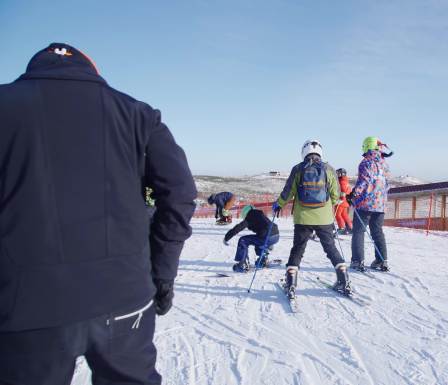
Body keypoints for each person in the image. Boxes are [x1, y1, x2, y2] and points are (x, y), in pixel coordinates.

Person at [0, 43, 197, 384]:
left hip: (27, 306)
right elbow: (179, 193)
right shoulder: (137, 113)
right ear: (92, 71)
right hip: (125, 296)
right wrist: (162, 273)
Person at [273, 139, 351, 298]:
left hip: (303, 218)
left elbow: (289, 192)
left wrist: (279, 204)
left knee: (298, 249)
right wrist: (331, 204)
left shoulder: (298, 169)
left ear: (304, 152)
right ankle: (343, 279)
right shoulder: (329, 169)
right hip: (324, 218)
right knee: (330, 248)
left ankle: (291, 283)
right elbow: (336, 195)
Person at [348, 136, 391, 272]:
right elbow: (387, 184)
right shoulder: (385, 164)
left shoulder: (366, 162)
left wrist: (353, 194)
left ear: (367, 146)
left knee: (359, 232)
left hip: (365, 203)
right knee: (377, 232)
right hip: (380, 204)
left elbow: (364, 182)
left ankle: (357, 261)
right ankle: (381, 260)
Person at [223, 205, 279, 272]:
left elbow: (238, 228)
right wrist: (269, 243)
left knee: (243, 240)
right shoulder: (260, 215)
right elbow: (268, 226)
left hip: (266, 237)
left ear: (245, 213)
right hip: (276, 235)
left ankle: (243, 264)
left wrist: (227, 237)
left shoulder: (250, 216)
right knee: (258, 242)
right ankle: (262, 260)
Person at [335, 168, 353, 235]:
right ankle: (350, 227)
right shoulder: (345, 180)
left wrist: (341, 199)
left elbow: (343, 192)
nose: (337, 175)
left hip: (341, 202)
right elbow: (348, 190)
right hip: (345, 202)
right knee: (344, 215)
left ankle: (341, 228)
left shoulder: (342, 181)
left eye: (339, 173)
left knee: (337, 215)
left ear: (342, 174)